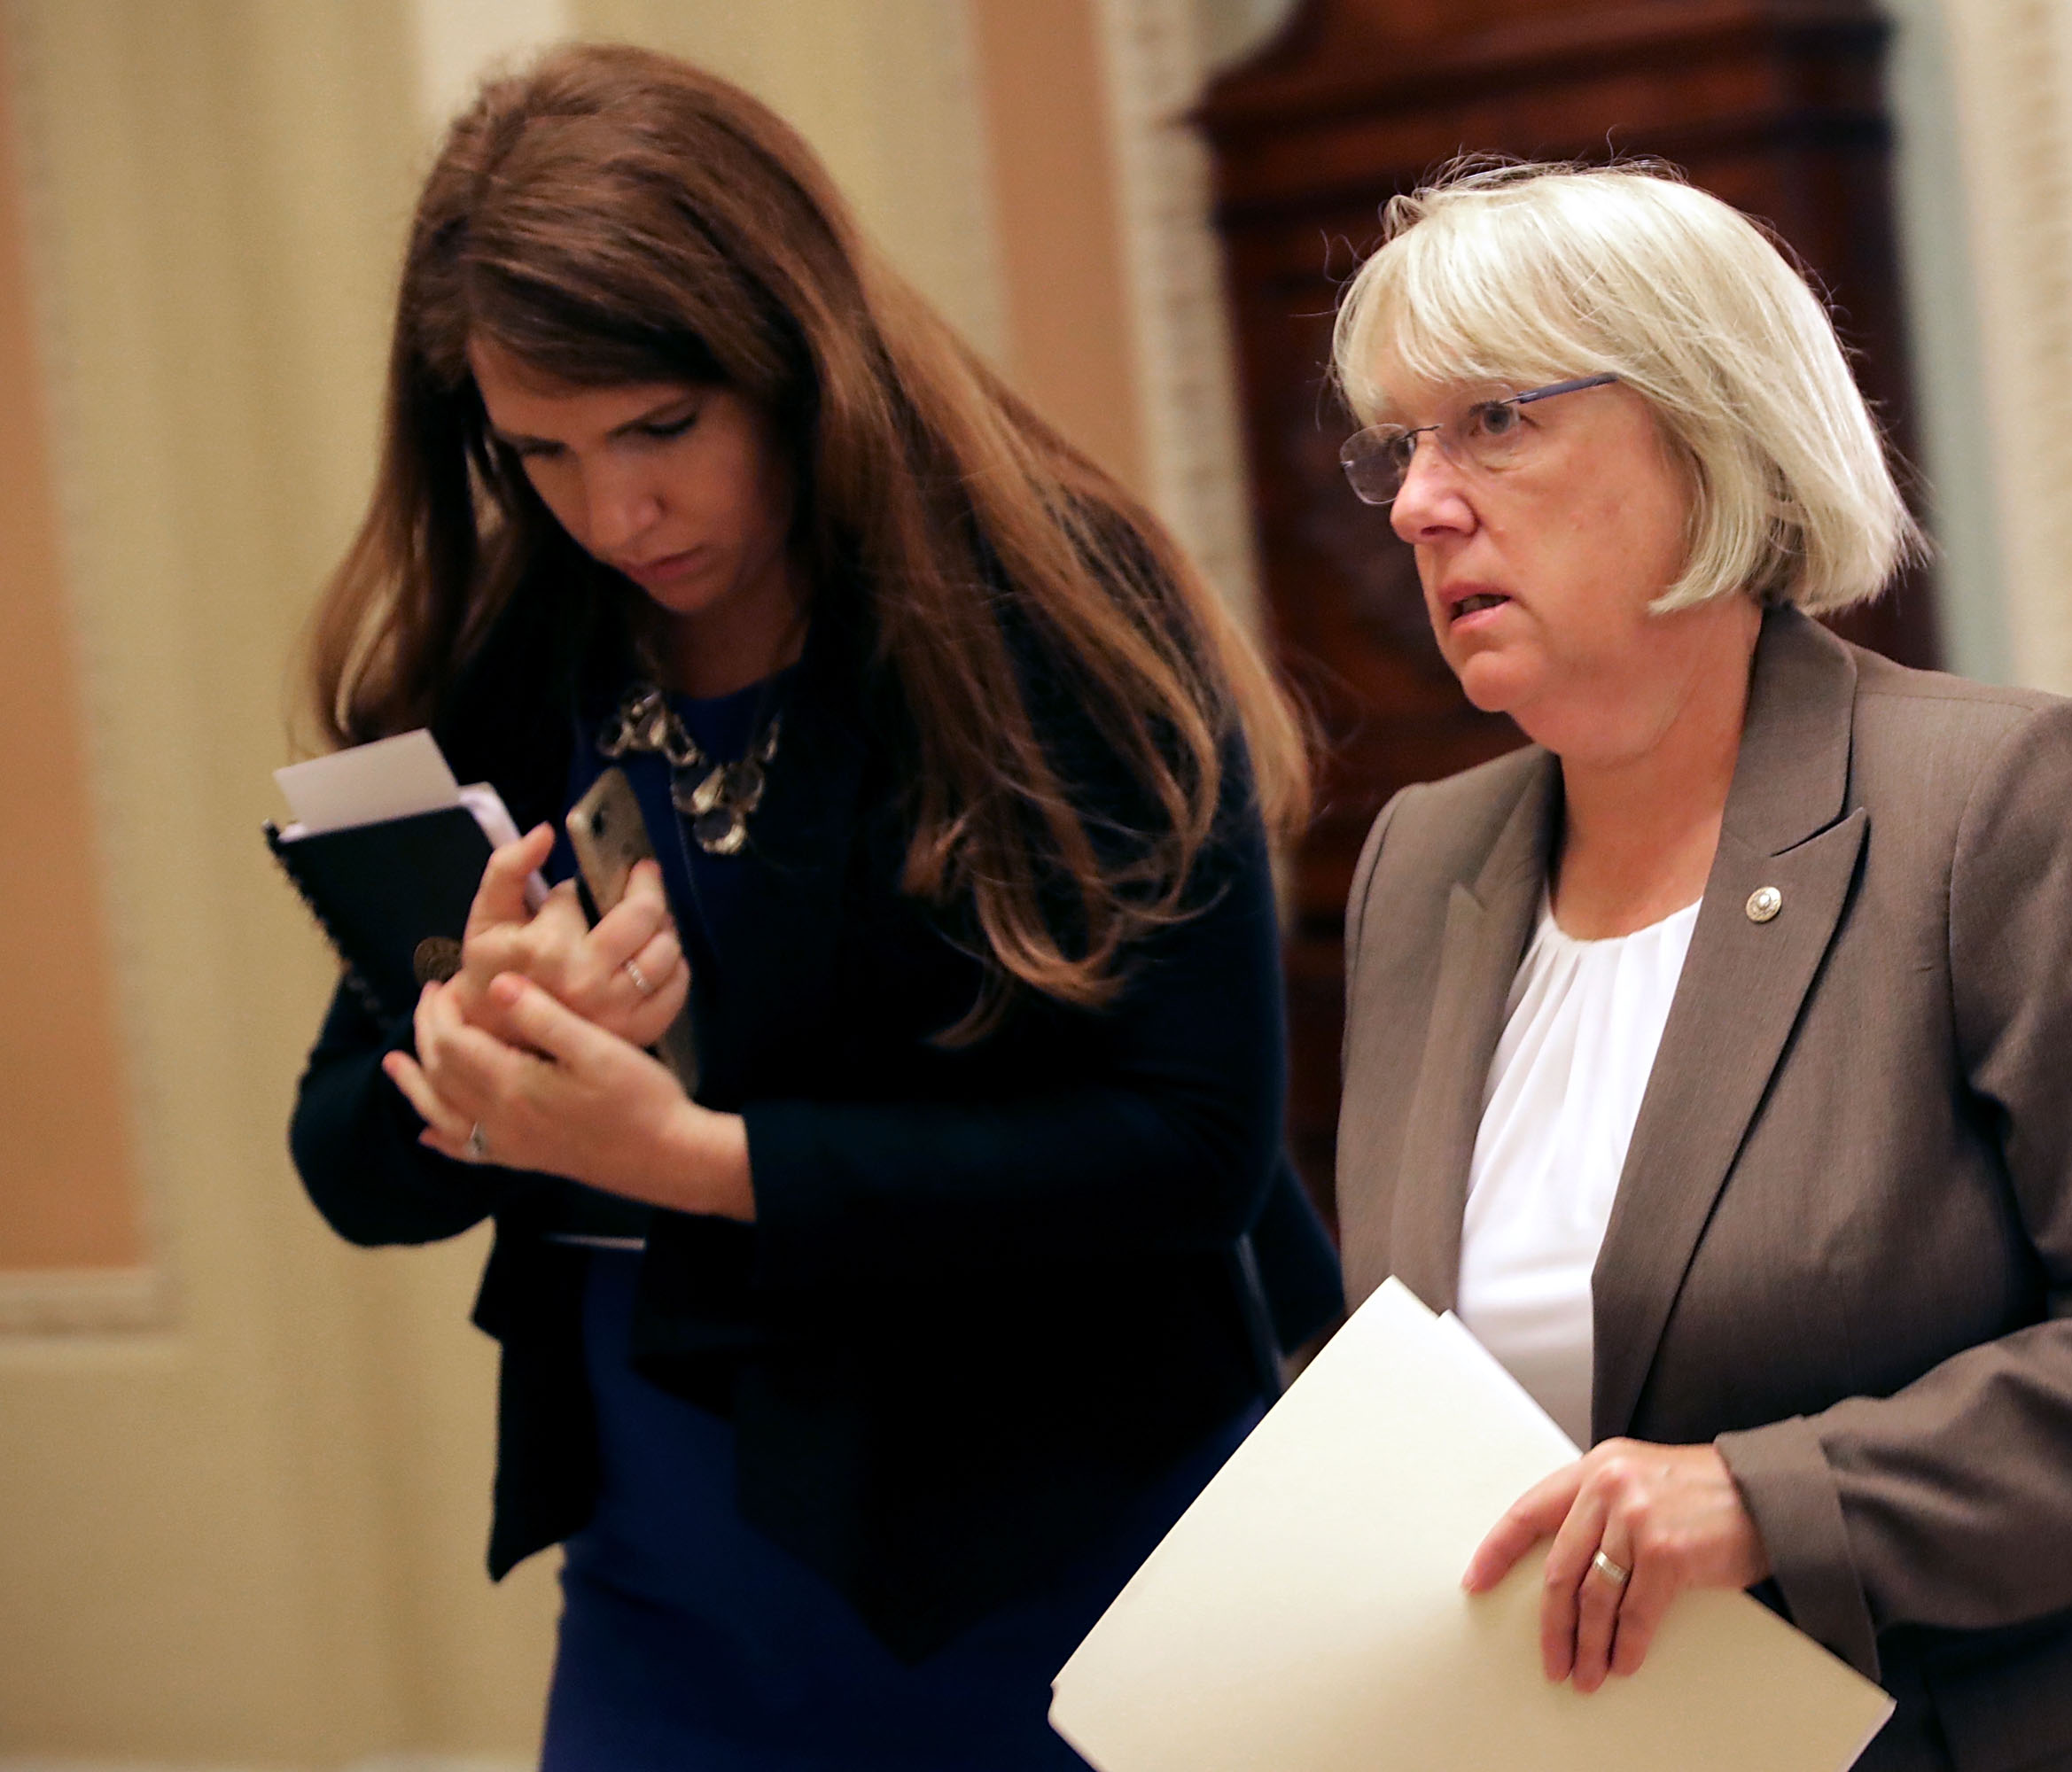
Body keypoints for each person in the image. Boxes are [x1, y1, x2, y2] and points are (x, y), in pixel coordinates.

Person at [286, 43, 1334, 1770]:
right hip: (661, 1574)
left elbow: (1191, 1143)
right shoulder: (518, 663)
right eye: (539, 449)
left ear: (798, 356)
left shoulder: (1044, 609)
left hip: (1064, 1558)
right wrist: (472, 1069)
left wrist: (689, 1159)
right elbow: (343, 1159)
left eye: (664, 428)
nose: (614, 510)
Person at [1328, 160, 2072, 1770]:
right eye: (1404, 443)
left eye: (1496, 421)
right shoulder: (1425, 865)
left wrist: (1774, 1502)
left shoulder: (2001, 802)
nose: (1425, 500)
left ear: (1710, 439)